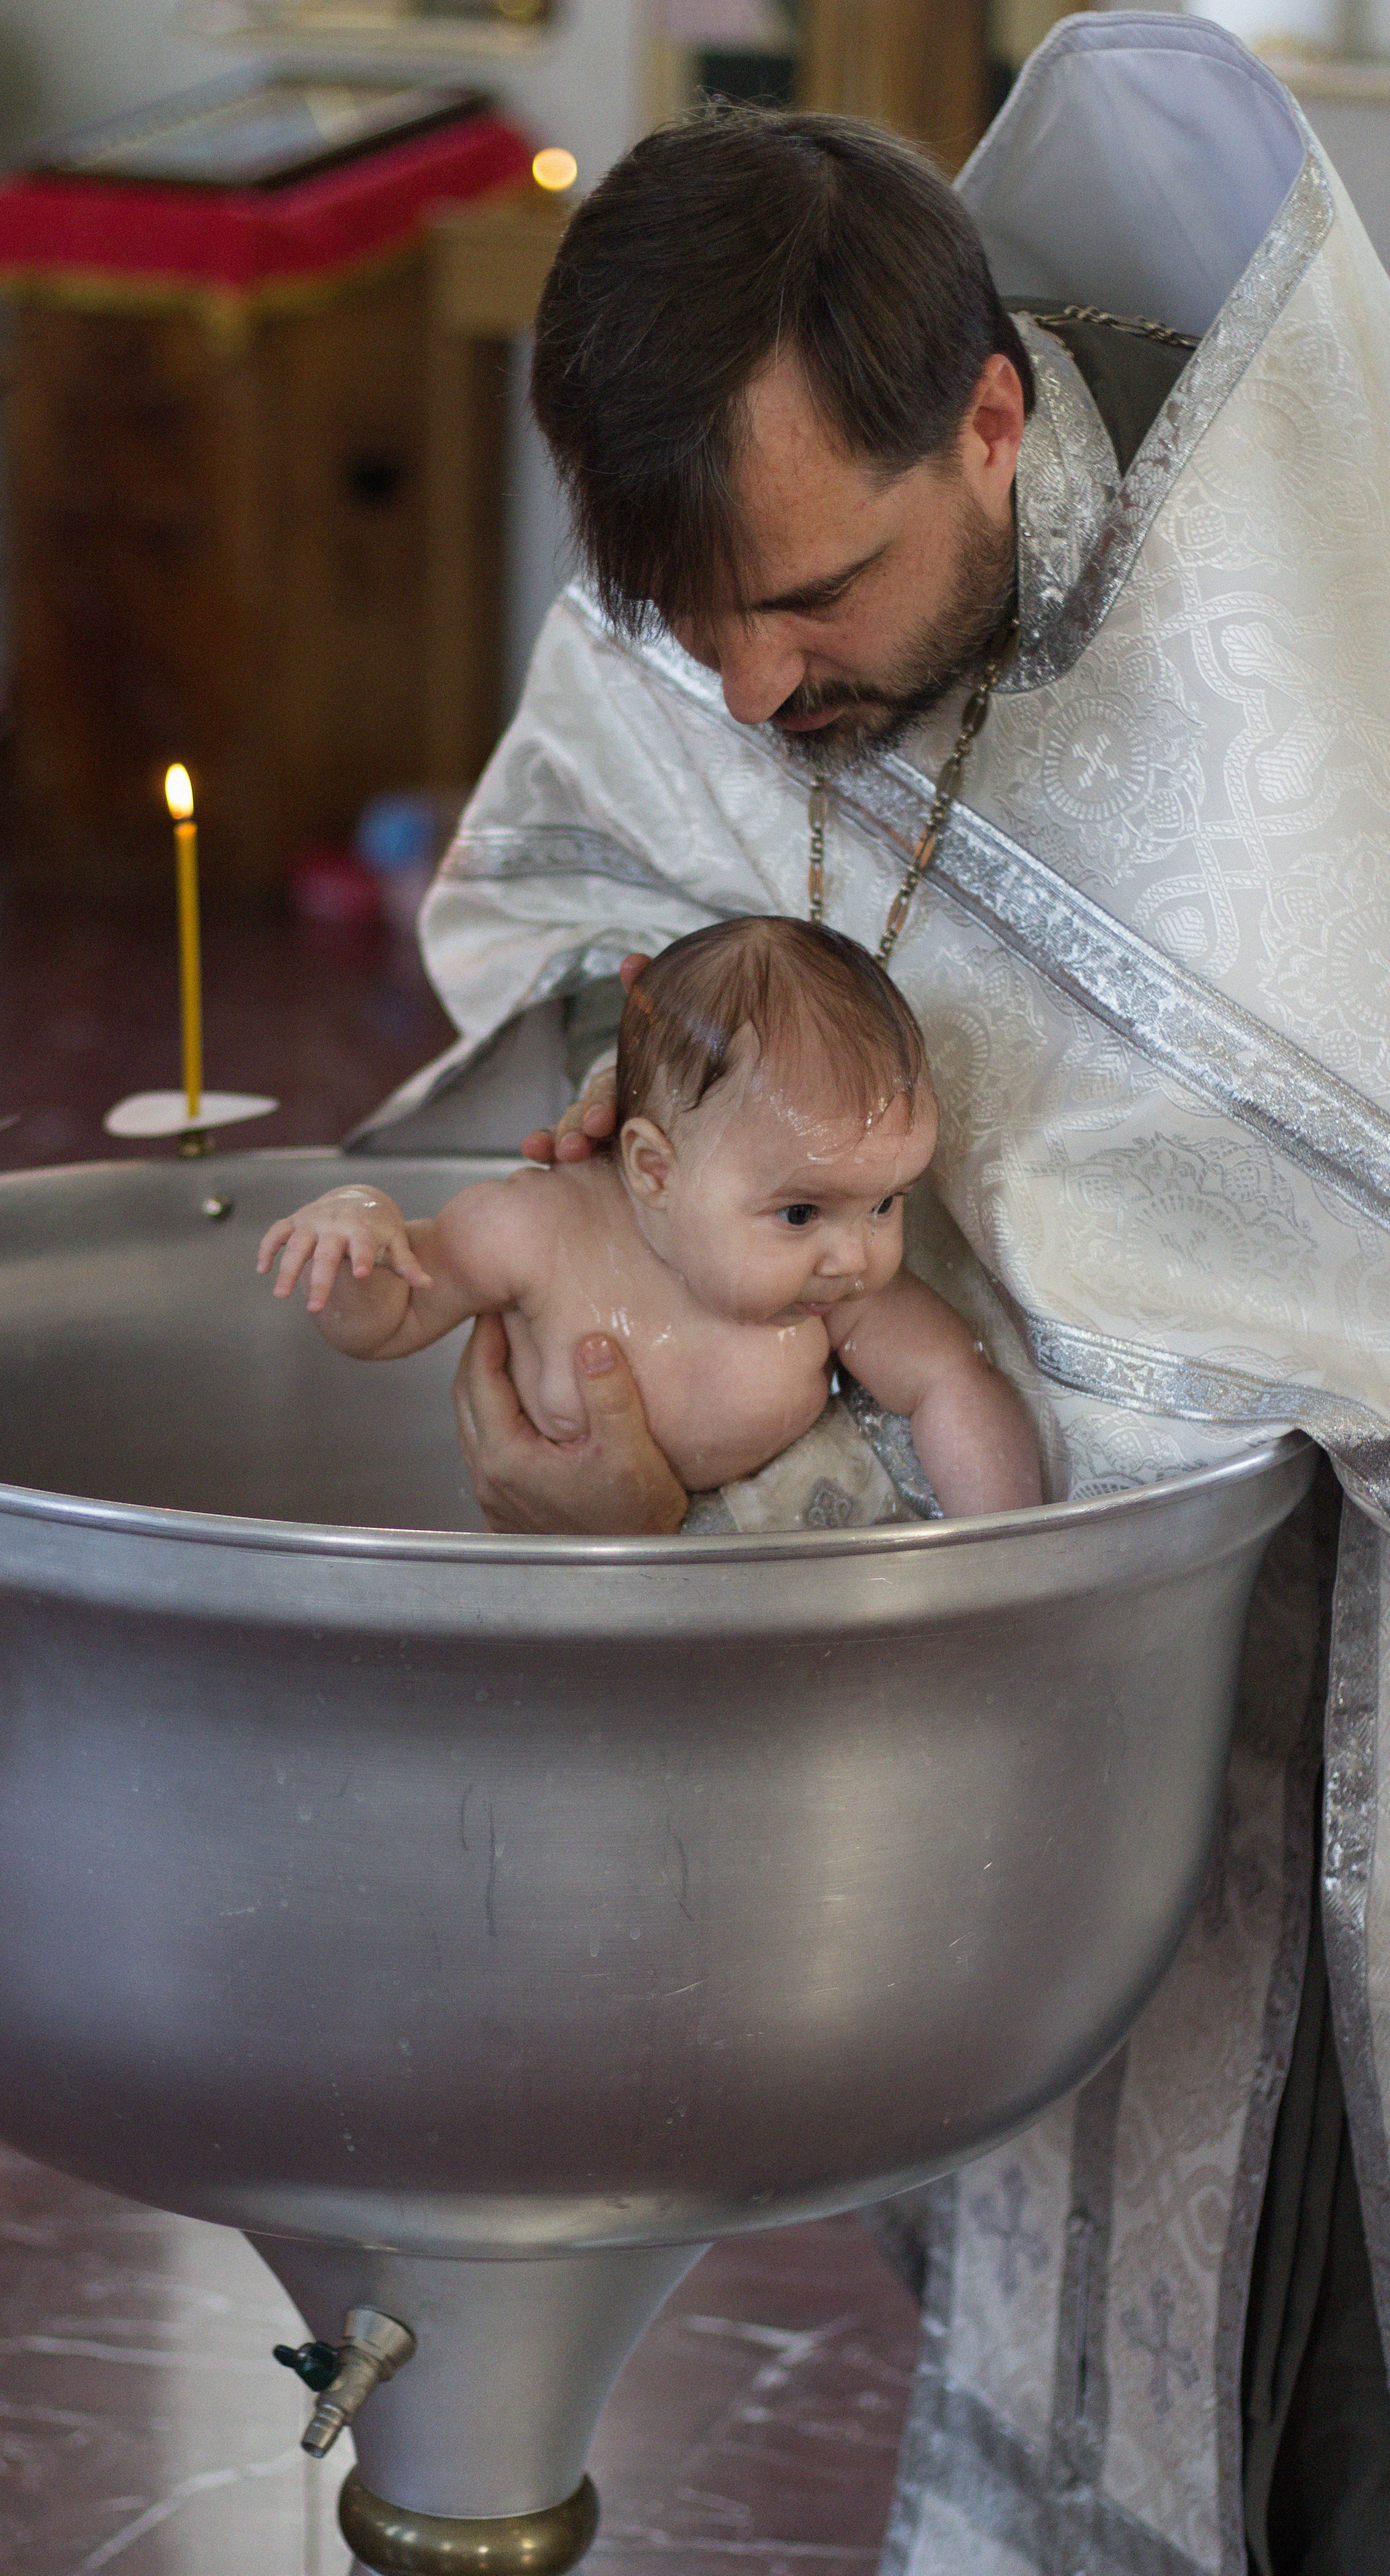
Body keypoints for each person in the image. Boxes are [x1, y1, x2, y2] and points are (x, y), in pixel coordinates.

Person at [357, 18, 1390, 2575]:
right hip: (998, 1685)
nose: (746, 697)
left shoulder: (1300, 586)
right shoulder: (721, 601)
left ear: (995, 430)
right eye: (671, 615)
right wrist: (622, 1311)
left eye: (809, 599)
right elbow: (568, 933)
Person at [261, 919, 1040, 1514]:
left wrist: (1006, 1554)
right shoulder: (537, 1230)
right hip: (554, 1577)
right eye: (800, 1212)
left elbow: (949, 1381)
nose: (857, 1256)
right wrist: (358, 1228)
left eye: (884, 1203)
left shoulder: (834, 1293)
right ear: (652, 1168)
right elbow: (386, 1325)